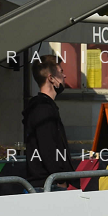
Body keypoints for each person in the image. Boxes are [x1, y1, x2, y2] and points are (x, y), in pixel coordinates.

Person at [22, 55, 74, 189]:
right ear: (51, 78)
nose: (65, 76)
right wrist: (59, 178)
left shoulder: (43, 107)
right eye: (61, 71)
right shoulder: (43, 109)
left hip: (47, 182)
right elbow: (48, 147)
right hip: (48, 184)